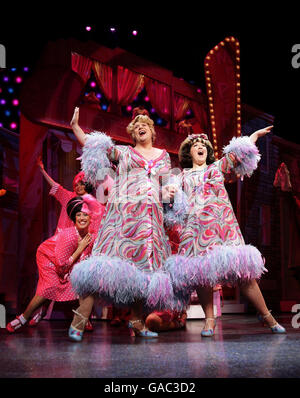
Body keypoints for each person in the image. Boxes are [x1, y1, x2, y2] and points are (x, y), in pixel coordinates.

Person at [67, 107, 182, 341]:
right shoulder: (124, 154)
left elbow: (167, 190)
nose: (140, 127)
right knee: (101, 268)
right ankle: (79, 321)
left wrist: (170, 192)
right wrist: (76, 128)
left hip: (150, 224)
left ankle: (137, 322)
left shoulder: (163, 156)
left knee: (143, 275)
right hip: (123, 219)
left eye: (145, 125)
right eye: (136, 126)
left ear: (151, 131)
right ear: (132, 133)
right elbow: (94, 144)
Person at [165, 128, 286, 336]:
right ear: (189, 153)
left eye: (203, 145)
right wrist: (170, 194)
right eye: (195, 146)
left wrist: (254, 137)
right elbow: (172, 204)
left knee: (245, 275)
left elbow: (236, 154)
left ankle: (267, 316)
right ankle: (209, 321)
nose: (200, 147)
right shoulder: (181, 177)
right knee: (202, 276)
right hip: (195, 232)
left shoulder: (216, 168)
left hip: (223, 229)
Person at [7, 195, 104, 333]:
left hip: (68, 260)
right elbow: (61, 265)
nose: (82, 218)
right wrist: (80, 248)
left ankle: (83, 318)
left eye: (85, 215)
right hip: (49, 258)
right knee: (49, 286)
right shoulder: (69, 236)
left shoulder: (91, 236)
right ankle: (23, 318)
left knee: (82, 283)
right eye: (78, 215)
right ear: (74, 218)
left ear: (90, 218)